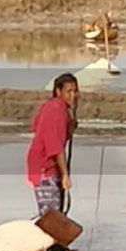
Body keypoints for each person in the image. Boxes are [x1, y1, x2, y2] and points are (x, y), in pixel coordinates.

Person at [26, 73, 78, 215]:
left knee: (53, 212)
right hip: (44, 166)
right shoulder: (57, 110)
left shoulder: (50, 106)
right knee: (52, 216)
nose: (73, 95)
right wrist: (65, 175)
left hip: (41, 164)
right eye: (69, 92)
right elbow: (55, 147)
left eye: (75, 91)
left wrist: (69, 127)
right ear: (58, 92)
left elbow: (37, 126)